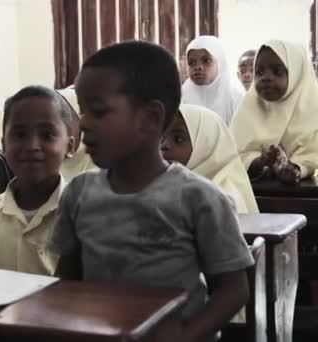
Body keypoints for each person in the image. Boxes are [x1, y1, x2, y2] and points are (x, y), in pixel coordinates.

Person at [52, 41, 253, 342]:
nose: (84, 124)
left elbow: (233, 289)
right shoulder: (79, 193)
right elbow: (67, 278)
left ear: (150, 118)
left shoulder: (199, 198)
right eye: (82, 111)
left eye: (98, 112)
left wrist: (187, 335)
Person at [0, 85, 74, 275]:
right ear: (3, 145)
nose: (32, 146)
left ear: (69, 146)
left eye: (47, 135)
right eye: (19, 135)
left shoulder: (79, 213)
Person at [231, 39, 318, 185]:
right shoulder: (247, 110)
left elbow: (312, 155)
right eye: (259, 72)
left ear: (297, 75)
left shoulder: (313, 114)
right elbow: (232, 157)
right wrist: (260, 162)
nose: (266, 78)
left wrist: (296, 168)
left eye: (277, 72)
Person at [161, 104, 258, 213]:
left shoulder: (223, 199)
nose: (164, 145)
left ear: (205, 146)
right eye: (162, 137)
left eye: (178, 139)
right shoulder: (161, 188)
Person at [182, 35, 245, 125]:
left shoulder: (235, 94)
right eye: (191, 62)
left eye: (206, 60)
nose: (198, 67)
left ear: (219, 62)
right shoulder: (182, 95)